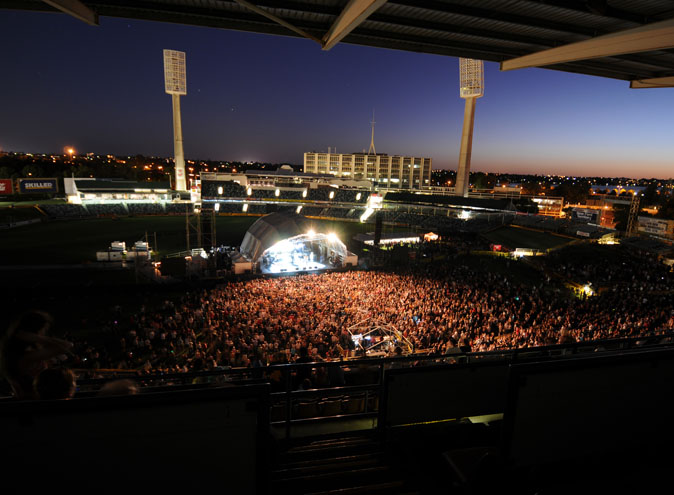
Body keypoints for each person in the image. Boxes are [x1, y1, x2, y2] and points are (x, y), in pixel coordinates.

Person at [0, 310, 73, 400]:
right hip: (33, 401)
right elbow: (67, 346)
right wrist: (36, 338)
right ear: (36, 330)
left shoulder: (16, 353)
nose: (44, 333)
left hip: (29, 400)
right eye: (44, 329)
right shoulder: (26, 356)